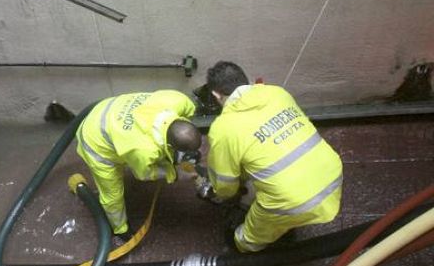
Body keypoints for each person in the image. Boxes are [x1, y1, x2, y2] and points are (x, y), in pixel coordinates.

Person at [197, 61, 343, 252]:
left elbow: (225, 188)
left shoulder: (223, 128)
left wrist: (218, 193)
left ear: (216, 94)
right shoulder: (278, 93)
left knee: (241, 240)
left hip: (291, 201)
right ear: (245, 80)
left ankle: (250, 250)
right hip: (331, 176)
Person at [76, 89, 201, 241]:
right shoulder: (144, 151)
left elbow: (187, 120)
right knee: (112, 196)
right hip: (96, 140)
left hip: (109, 110)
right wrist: (175, 174)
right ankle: (120, 229)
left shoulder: (179, 100)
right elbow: (143, 173)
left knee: (150, 153)